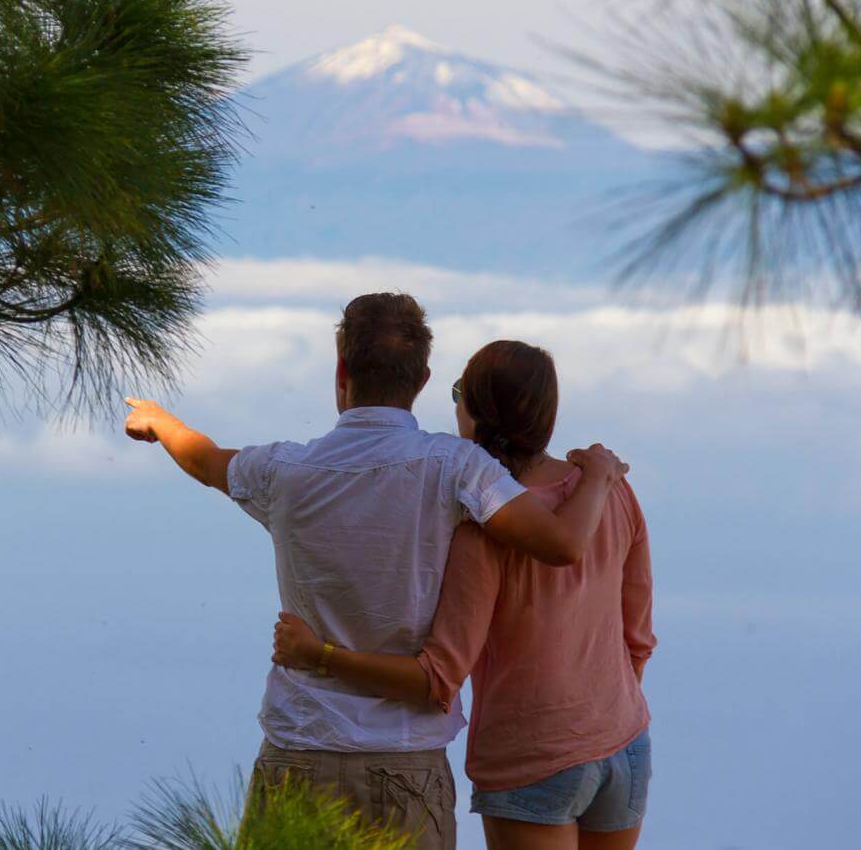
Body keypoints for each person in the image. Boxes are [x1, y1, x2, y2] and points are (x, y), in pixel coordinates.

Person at [122, 295, 630, 849]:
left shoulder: (283, 471)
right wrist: (600, 476)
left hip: (298, 753)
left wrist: (161, 422)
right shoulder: (456, 466)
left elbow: (204, 459)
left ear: (341, 372)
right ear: (424, 379)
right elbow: (558, 544)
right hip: (405, 765)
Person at [271, 339, 655, 850]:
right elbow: (639, 638)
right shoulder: (610, 490)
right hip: (625, 745)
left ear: (475, 410)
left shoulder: (482, 526)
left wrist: (318, 654)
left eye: (458, 393)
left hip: (533, 757)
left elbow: (438, 677)